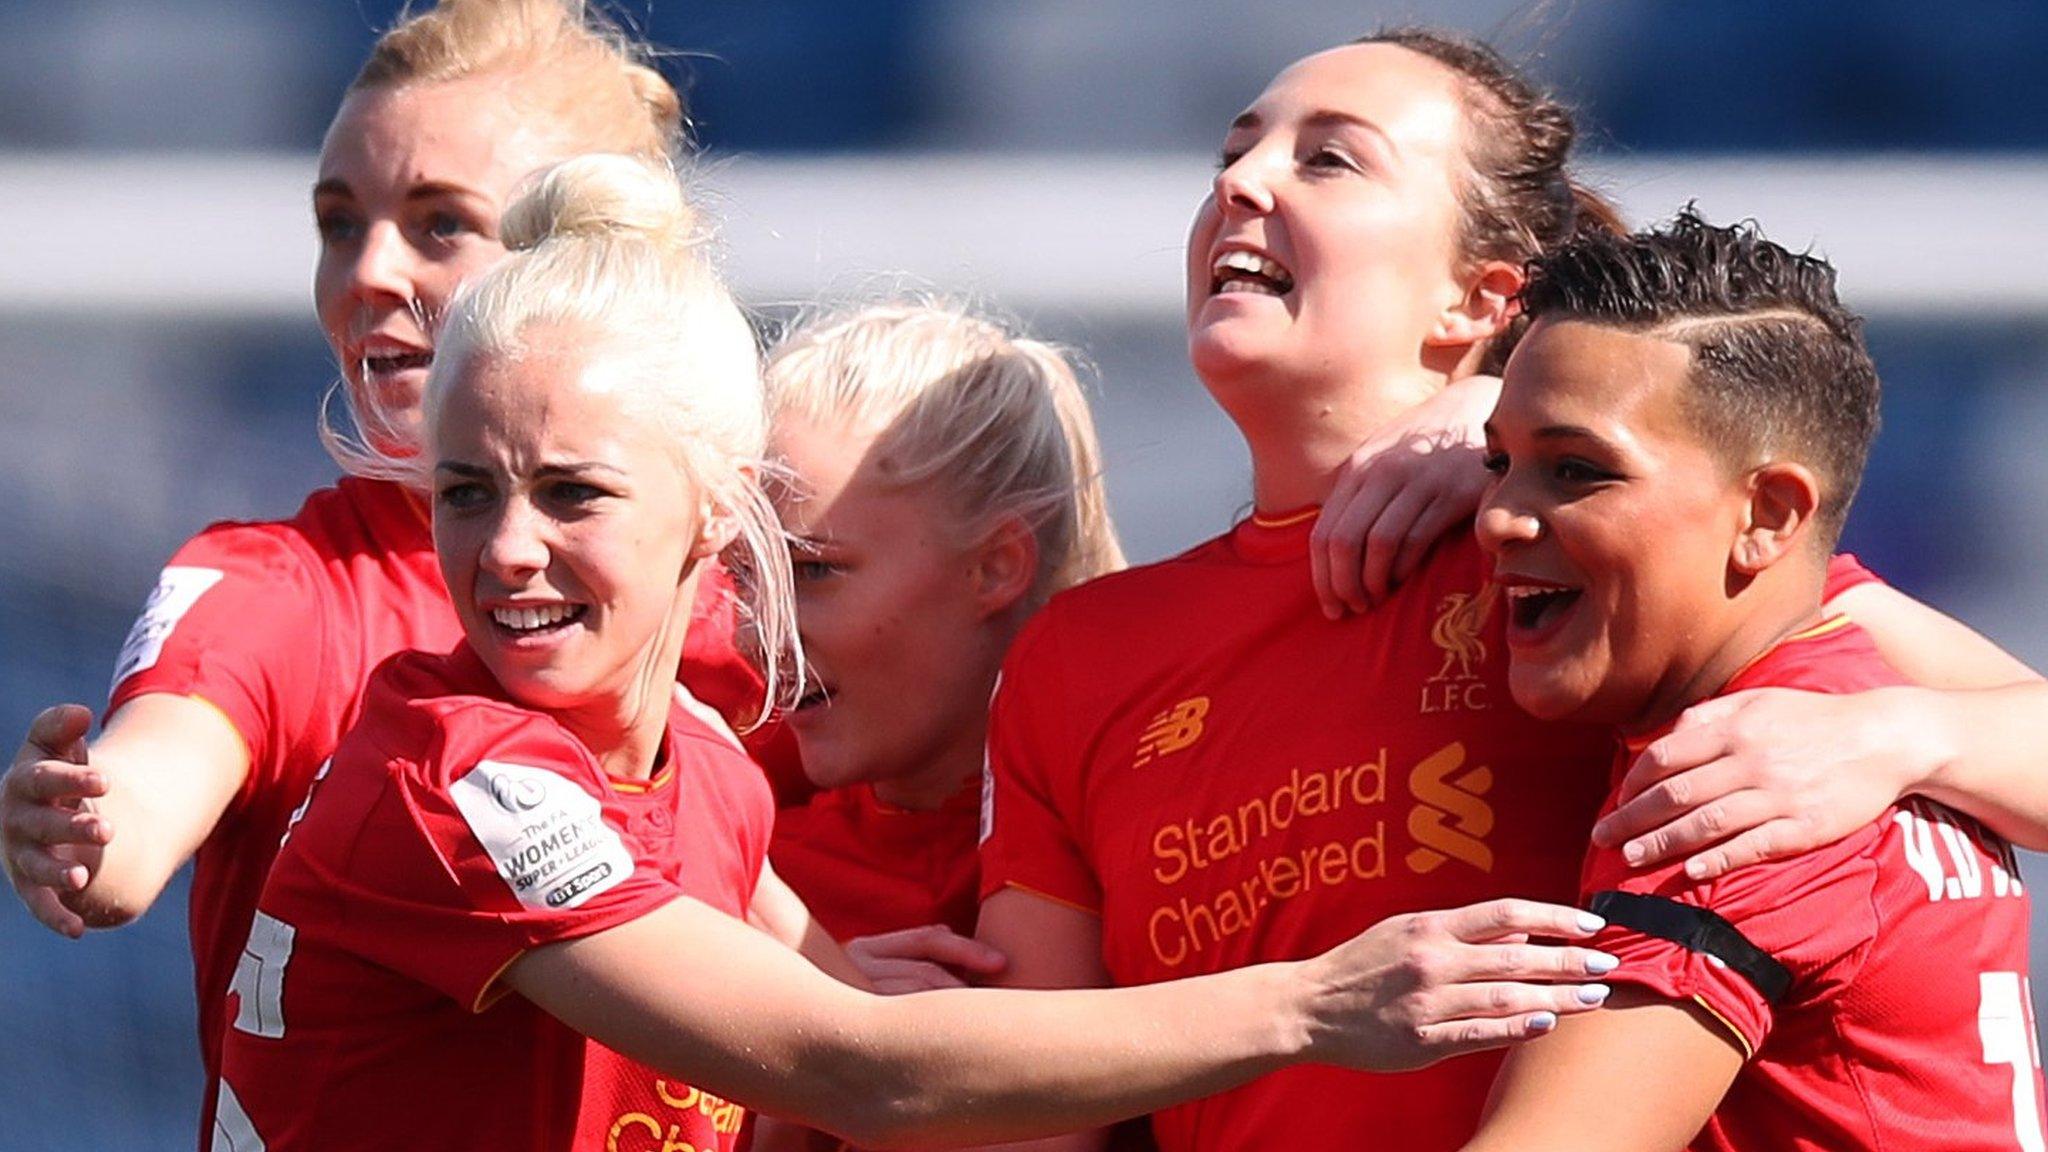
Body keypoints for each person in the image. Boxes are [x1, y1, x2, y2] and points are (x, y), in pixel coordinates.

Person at [213, 151, 1620, 1152]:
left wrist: (1486, 410)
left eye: (572, 492)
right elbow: (862, 1066)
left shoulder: (710, 762)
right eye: (463, 492)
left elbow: (848, 1020)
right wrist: (1317, 1003)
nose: (504, 549)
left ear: (716, 513)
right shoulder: (467, 777)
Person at [976, 28, 2048, 1152]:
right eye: (1231, 154)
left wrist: (1889, 735)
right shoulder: (1078, 652)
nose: (1239, 181)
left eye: (1327, 159)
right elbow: (1033, 1110)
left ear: (1479, 298)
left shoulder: (1589, 559)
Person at [0, 2, 783, 1143]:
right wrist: (86, 828)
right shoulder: (289, 588)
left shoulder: (717, 610)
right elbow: (142, 804)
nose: (369, 270)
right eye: (337, 222)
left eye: (439, 224)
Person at [1461, 211, 2044, 1150]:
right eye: (1497, 463)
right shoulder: (1861, 697)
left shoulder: (1742, 793)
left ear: (1770, 516)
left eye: (1575, 470)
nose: (1494, 517)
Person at [763, 302, 1124, 948]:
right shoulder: (745, 878)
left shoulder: (1152, 841)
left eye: (814, 570)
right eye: (752, 575)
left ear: (995, 568)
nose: (760, 631)